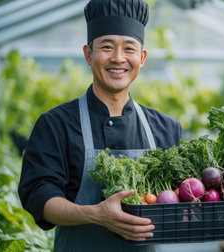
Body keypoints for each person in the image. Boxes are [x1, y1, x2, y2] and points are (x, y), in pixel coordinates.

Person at [17, 0, 183, 251]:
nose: (118, 58)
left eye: (129, 48)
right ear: (88, 54)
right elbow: (40, 198)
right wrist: (96, 214)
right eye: (107, 46)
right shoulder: (55, 124)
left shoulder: (166, 128)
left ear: (142, 57)